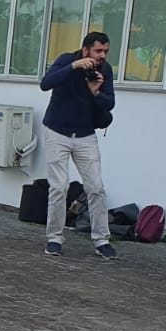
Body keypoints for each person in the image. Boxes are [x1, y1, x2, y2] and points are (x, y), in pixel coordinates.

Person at [40, 31, 118, 260]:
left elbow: (110, 103)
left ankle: (102, 240)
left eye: (105, 51)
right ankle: (54, 238)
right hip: (57, 131)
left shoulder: (105, 70)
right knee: (59, 186)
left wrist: (96, 93)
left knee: (96, 187)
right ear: (85, 50)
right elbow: (46, 84)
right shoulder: (67, 60)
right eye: (98, 51)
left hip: (85, 135)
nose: (102, 56)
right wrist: (74, 66)